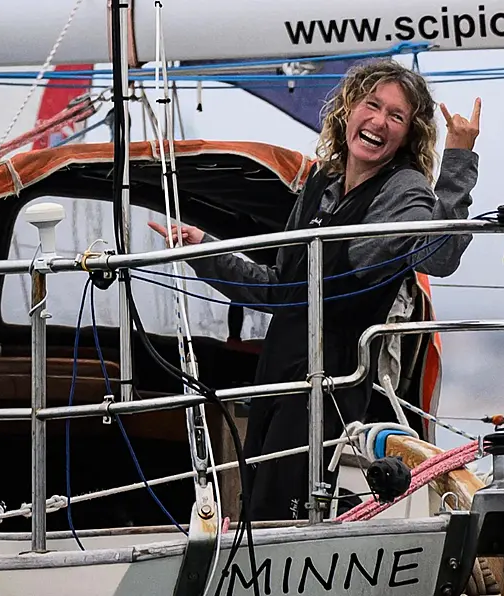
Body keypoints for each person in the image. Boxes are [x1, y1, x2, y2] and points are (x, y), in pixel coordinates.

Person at [148, 59, 481, 522]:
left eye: (396, 116)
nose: (379, 121)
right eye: (372, 104)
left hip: (332, 384)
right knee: (258, 506)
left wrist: (460, 159)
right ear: (349, 108)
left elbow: (440, 256)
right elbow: (278, 292)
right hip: (279, 371)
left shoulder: (403, 191)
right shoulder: (321, 182)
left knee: (281, 511)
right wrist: (204, 248)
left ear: (407, 135)